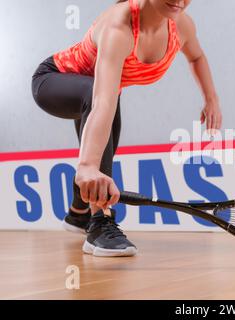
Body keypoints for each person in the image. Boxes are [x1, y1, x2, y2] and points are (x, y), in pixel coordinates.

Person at [31, 0, 221, 257]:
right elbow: (101, 101)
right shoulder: (118, 28)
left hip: (97, 95)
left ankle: (78, 214)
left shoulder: (181, 25)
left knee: (106, 116)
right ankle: (100, 223)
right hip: (53, 80)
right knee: (100, 104)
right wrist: (86, 166)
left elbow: (196, 56)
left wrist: (211, 100)